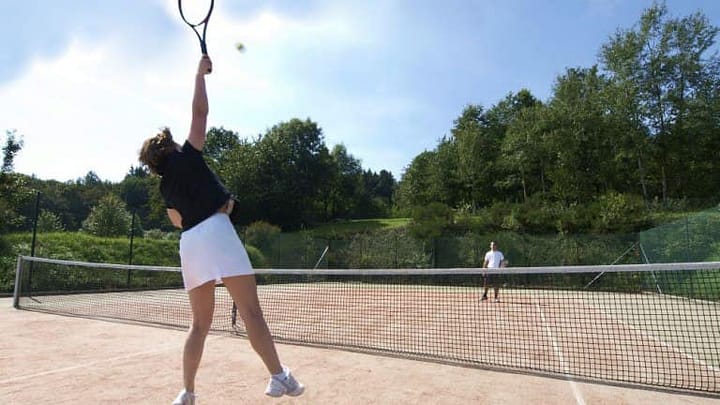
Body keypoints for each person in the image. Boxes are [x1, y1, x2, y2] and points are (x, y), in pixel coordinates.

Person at [139, 55, 304, 405]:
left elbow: (177, 221)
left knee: (199, 325)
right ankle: (278, 377)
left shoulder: (165, 188)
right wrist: (200, 74)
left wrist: (210, 204)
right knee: (251, 312)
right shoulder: (188, 156)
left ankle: (187, 392)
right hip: (216, 233)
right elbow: (200, 113)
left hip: (190, 243)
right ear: (170, 147)